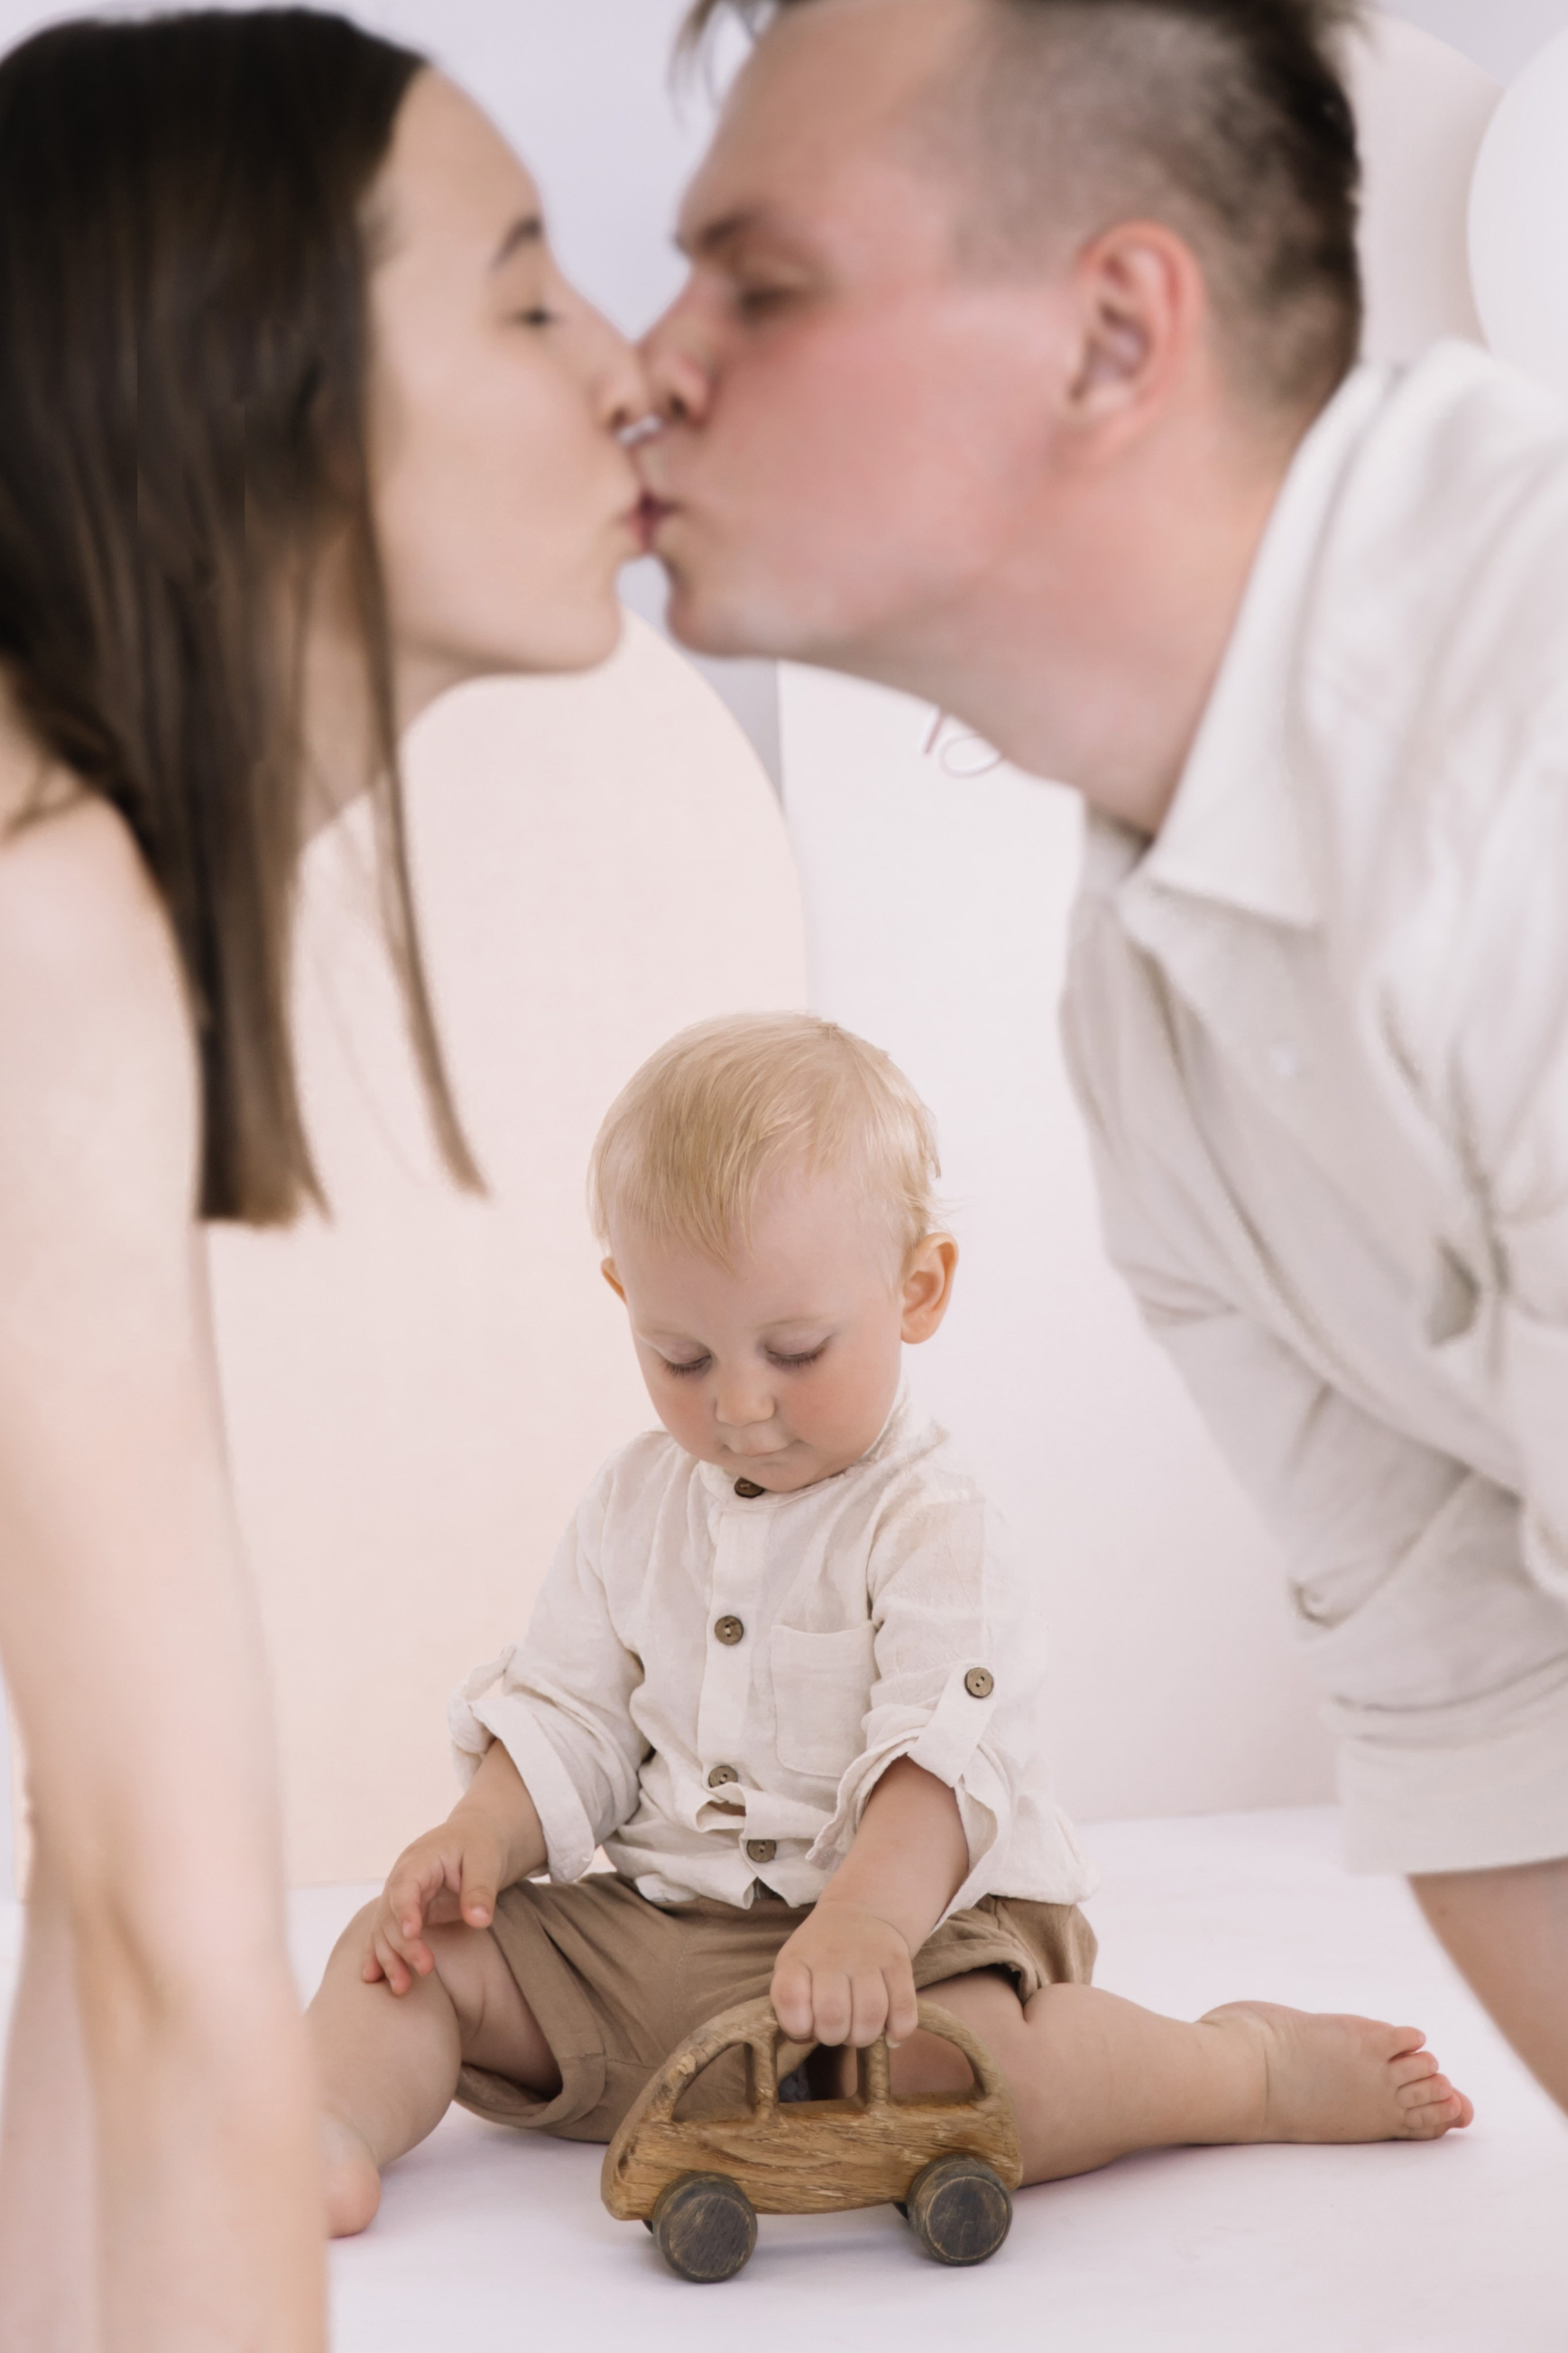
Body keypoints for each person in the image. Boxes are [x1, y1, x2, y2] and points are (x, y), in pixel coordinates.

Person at [633, 0, 1568, 2116]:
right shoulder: (1148, 1012)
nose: (652, 362)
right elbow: (1482, 1716)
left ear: (1114, 334)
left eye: (761, 283)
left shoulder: (1529, 753)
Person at [0, 12, 647, 2344]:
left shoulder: (75, 897)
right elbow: (182, 1971)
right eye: (526, 296)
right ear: (249, 384)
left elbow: (103, 1898)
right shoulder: (40, 910)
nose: (634, 371)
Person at [308, 1011, 1469, 2236]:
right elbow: (568, 1711)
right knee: (406, 1956)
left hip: (925, 1929)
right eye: (681, 1354)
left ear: (916, 1290)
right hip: (676, 1934)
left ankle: (1242, 2072)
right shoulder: (629, 1506)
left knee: (976, 2073)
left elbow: (939, 1749)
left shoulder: (933, 1523)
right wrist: (480, 1837)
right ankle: (325, 2123)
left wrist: (865, 1915)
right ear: (625, 1298)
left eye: (795, 1348)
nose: (741, 1403)